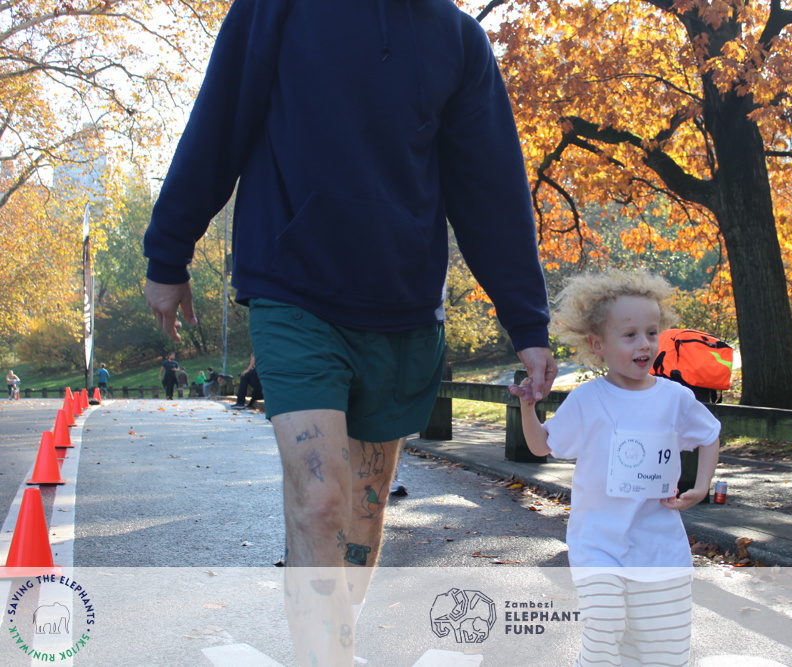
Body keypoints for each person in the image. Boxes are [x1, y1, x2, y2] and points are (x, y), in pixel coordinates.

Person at [141, 1, 556, 663]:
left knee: (362, 518)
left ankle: (335, 642)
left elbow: (490, 189)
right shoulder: (277, 8)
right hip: (294, 290)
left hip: (402, 310)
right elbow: (218, 121)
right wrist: (169, 252)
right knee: (321, 499)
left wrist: (527, 322)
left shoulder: (458, 40)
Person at [510, 270, 720, 666]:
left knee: (666, 650)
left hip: (660, 546)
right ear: (597, 344)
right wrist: (528, 407)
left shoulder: (675, 398)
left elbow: (709, 435)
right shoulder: (587, 400)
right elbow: (541, 446)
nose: (644, 344)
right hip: (599, 544)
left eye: (652, 333)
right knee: (603, 629)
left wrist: (702, 486)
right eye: (630, 335)